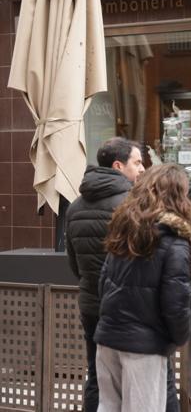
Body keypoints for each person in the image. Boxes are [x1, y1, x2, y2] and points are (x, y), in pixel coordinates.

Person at [94, 164, 191, 412]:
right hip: (145, 346)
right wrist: (178, 337)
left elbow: (103, 284)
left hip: (109, 338)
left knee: (108, 406)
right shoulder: (175, 241)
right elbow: (177, 302)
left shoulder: (123, 229)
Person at [65, 137, 144, 412]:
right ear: (118, 165)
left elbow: (74, 264)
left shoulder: (74, 206)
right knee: (132, 378)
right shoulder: (131, 204)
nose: (142, 169)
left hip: (91, 304)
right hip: (127, 307)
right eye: (137, 162)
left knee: (96, 374)